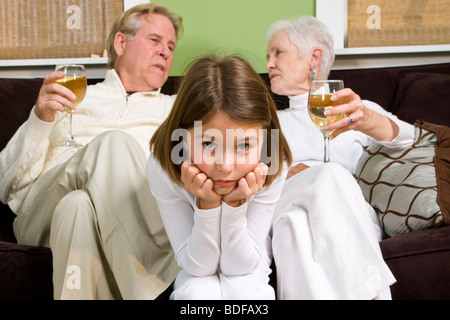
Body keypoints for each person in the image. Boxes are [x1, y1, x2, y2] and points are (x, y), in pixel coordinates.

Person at [0, 3, 183, 300]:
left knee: (77, 206)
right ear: (121, 43)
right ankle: (153, 279)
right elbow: (5, 184)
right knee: (113, 143)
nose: (165, 52)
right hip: (41, 215)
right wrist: (40, 118)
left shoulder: (175, 110)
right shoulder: (70, 95)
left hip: (95, 216)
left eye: (171, 46)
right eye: (155, 40)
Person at [265, 16, 416, 299]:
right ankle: (374, 293)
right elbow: (259, 177)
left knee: (293, 227)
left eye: (278, 52)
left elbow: (414, 138)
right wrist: (286, 175)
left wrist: (372, 121)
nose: (268, 64)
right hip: (282, 201)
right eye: (268, 56)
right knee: (327, 174)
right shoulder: (270, 122)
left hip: (348, 214)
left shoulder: (358, 109)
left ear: (314, 58)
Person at [146, 55, 292, 299]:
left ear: (265, 139)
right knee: (196, 292)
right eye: (208, 143)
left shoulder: (271, 162)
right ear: (182, 137)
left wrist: (235, 204)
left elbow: (240, 267)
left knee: (248, 292)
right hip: (195, 268)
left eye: (244, 145)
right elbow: (198, 267)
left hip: (248, 265)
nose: (225, 166)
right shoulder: (162, 166)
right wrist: (208, 205)